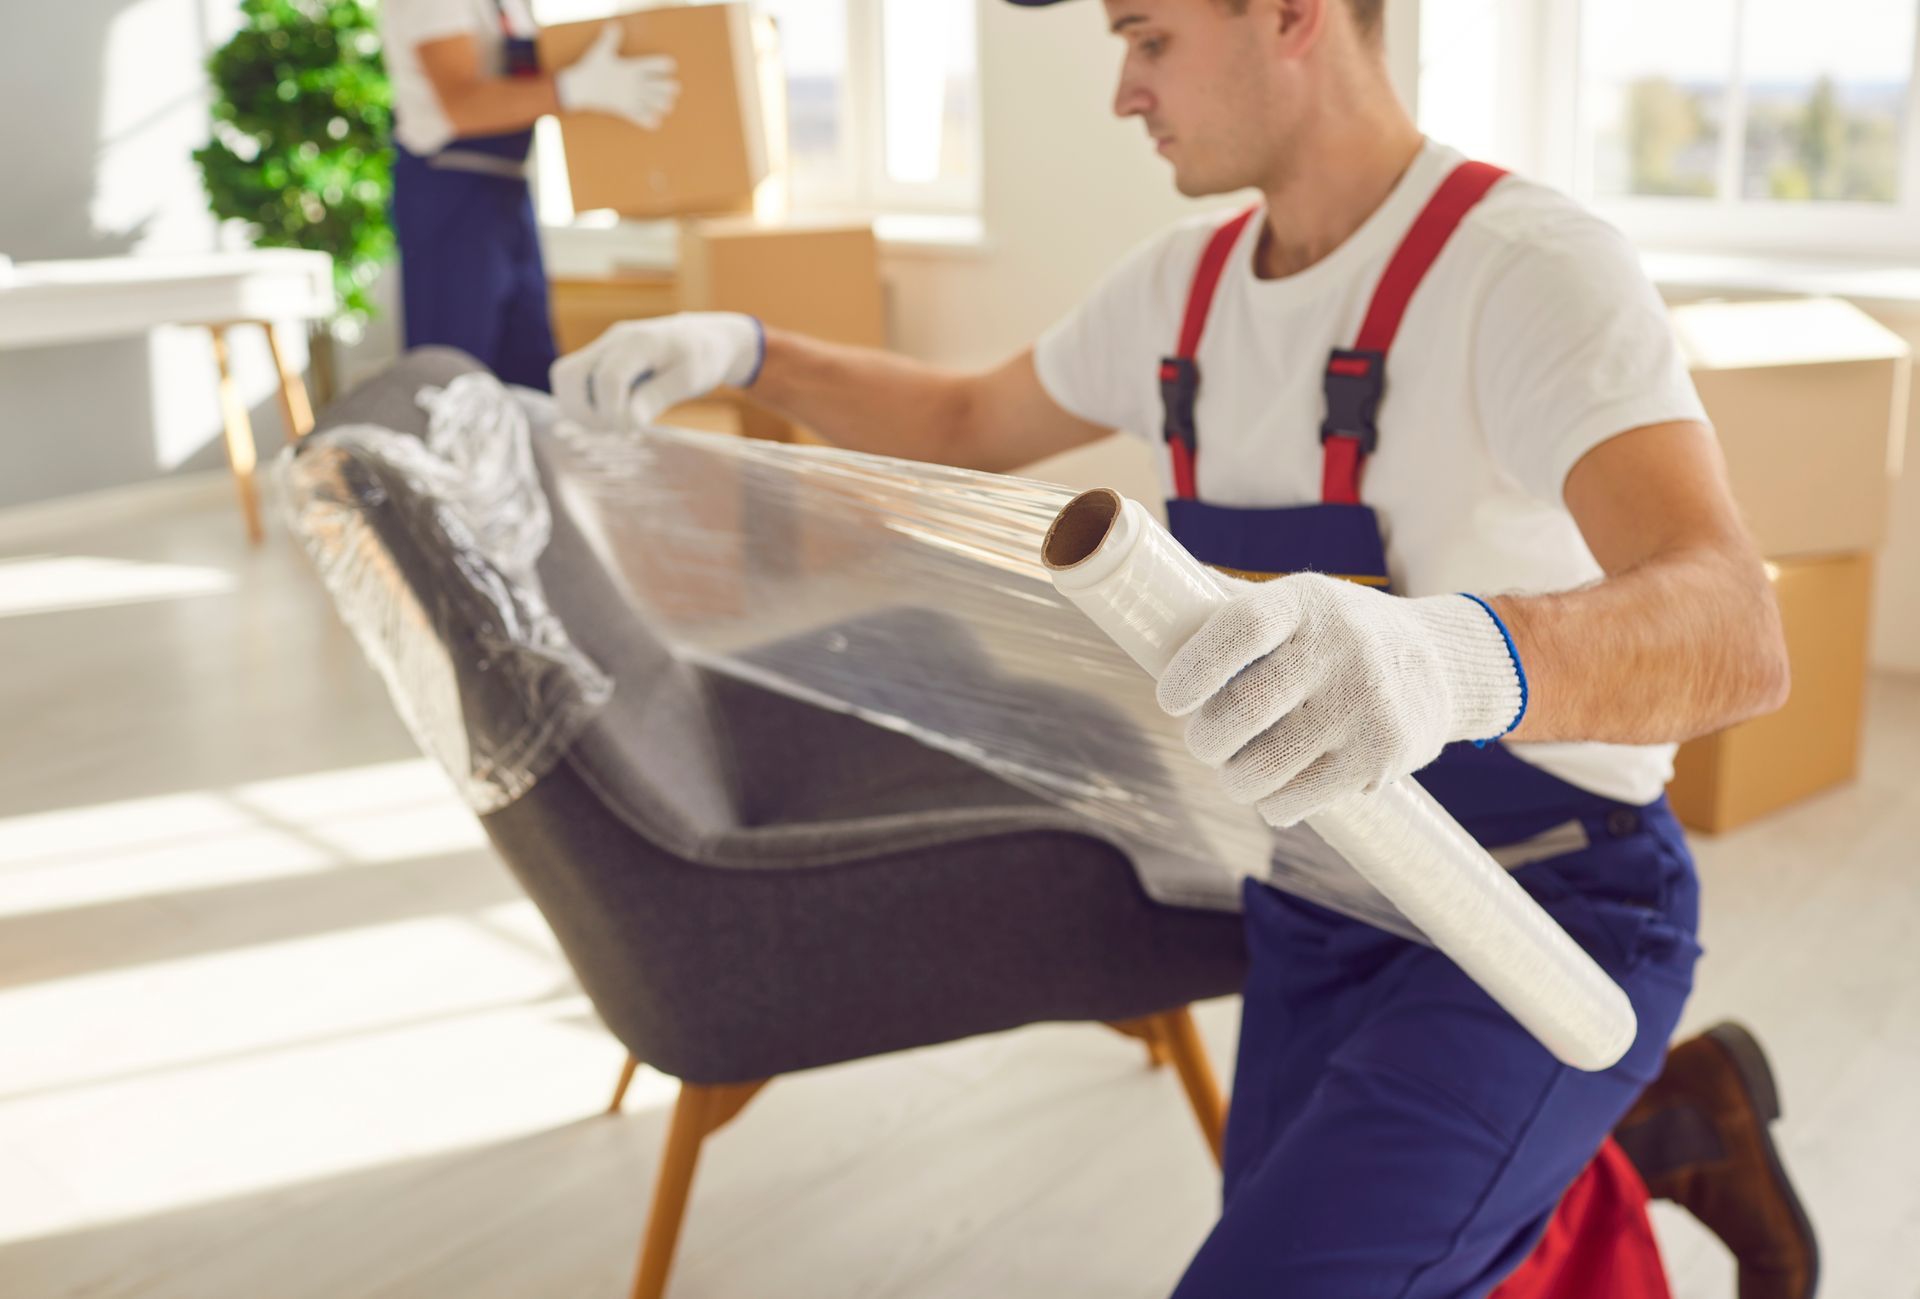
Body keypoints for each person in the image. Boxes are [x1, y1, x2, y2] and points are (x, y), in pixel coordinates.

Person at [549, 1, 1819, 1293]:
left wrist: (1444, 660)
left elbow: (1733, 622)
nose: (1123, 92)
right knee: (1371, 1240)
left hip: (1546, 902)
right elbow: (966, 415)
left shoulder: (1527, 267)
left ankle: (1617, 1108)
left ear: (1290, 16)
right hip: (1321, 900)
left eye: (1147, 38)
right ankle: (1659, 1123)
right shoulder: (1183, 289)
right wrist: (747, 349)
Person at [380, 0, 679, 388]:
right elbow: (461, 104)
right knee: (453, 377)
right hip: (450, 194)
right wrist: (571, 88)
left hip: (510, 192)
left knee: (531, 371)